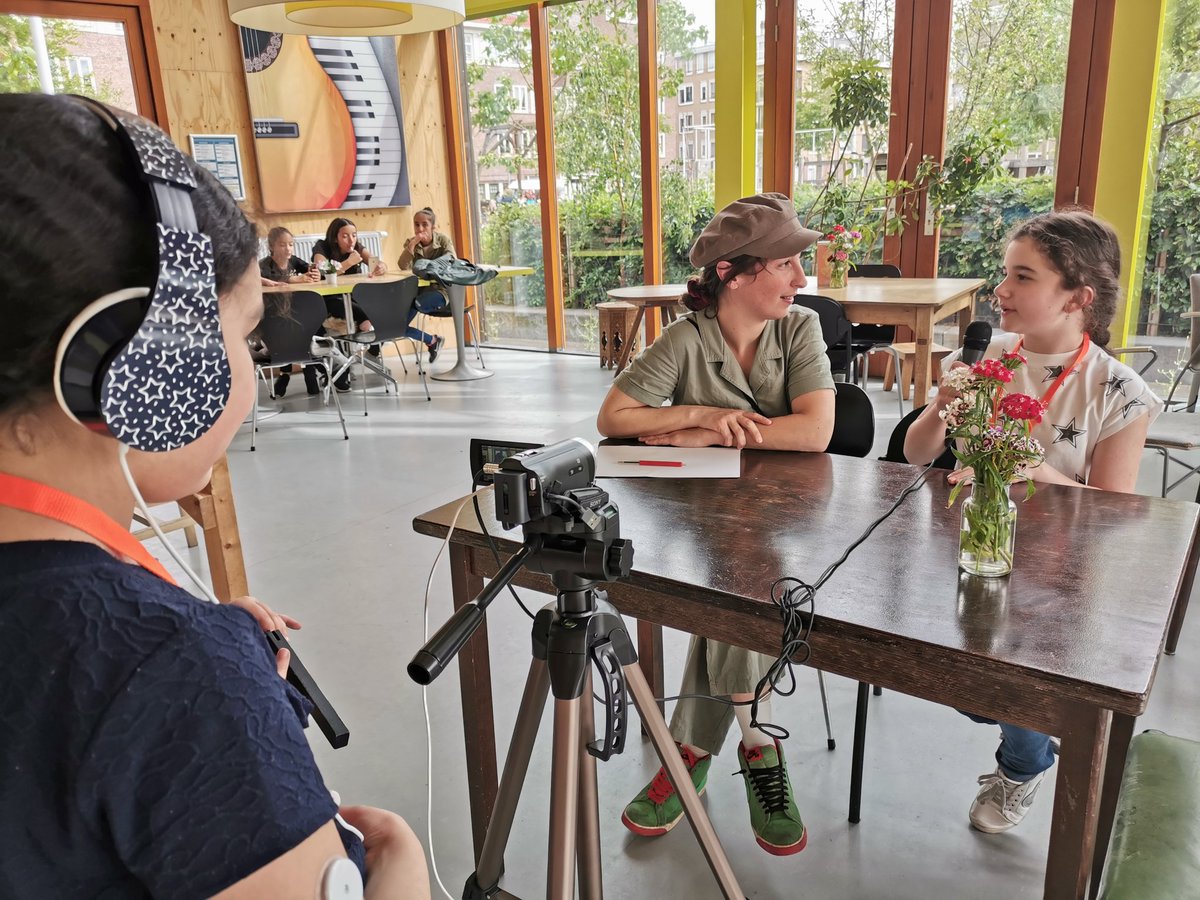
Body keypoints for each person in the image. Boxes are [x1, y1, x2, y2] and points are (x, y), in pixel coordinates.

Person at [0, 93, 429, 899]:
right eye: (243, 331)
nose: (248, 374)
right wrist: (400, 878)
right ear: (127, 368)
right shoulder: (176, 667)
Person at [903, 209, 1163, 834]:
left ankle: (1022, 766)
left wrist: (1025, 465)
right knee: (958, 684)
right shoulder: (987, 357)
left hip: (1057, 579)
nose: (1001, 291)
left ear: (1079, 296)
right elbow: (915, 455)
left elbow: (1112, 508)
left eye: (1023, 277)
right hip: (967, 553)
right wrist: (941, 406)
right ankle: (1041, 732)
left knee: (1023, 686)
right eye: (1003, 274)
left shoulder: (1118, 392)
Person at [596, 192, 836, 856]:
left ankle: (694, 752)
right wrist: (696, 419)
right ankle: (756, 746)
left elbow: (817, 434)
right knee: (735, 567)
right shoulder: (685, 339)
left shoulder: (800, 328)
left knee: (739, 574)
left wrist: (714, 437)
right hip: (709, 520)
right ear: (733, 272)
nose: (801, 279)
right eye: (787, 264)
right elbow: (614, 421)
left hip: (797, 524)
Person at [258, 226, 331, 396]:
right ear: (271, 247)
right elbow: (272, 279)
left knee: (311, 326)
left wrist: (315, 274)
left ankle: (311, 372)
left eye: (291, 244)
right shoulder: (264, 265)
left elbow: (310, 269)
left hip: (296, 314)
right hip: (274, 316)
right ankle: (288, 373)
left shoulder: (294, 261)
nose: (288, 249)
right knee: (293, 331)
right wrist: (294, 279)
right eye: (283, 245)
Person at [395, 206, 452, 362]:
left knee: (417, 303)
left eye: (425, 224)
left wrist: (427, 266)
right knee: (397, 328)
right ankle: (432, 341)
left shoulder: (443, 241)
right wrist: (412, 246)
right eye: (416, 224)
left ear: (433, 226)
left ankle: (433, 341)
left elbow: (450, 260)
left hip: (442, 292)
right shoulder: (411, 243)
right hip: (418, 294)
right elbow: (402, 265)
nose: (420, 228)